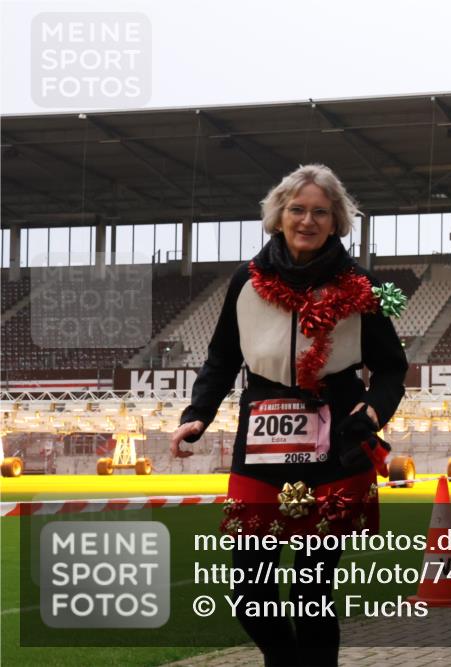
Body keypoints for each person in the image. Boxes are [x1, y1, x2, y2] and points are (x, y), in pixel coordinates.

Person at [170, 164, 408, 667]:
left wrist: (374, 410)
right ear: (278, 216)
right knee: (250, 593)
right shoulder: (246, 280)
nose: (307, 220)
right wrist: (198, 413)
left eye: (320, 212)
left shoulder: (361, 286)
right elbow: (221, 358)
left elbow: (391, 369)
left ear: (336, 221)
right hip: (261, 438)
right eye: (297, 209)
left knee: (309, 589)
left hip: (338, 440)